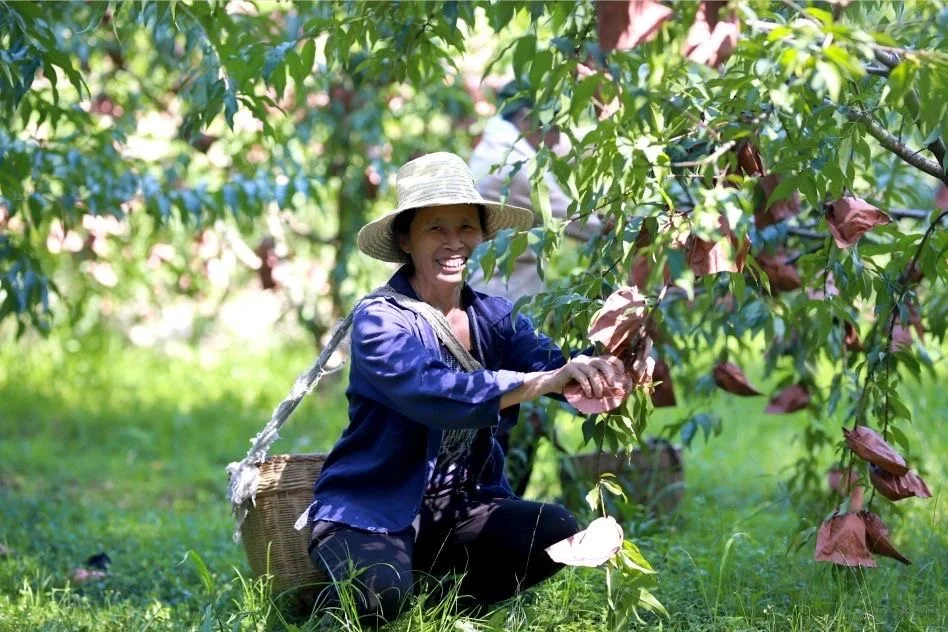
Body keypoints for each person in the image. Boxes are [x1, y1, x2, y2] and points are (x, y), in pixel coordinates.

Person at [305, 152, 624, 626]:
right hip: (371, 509)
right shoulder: (380, 320)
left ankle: (440, 608)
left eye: (465, 227)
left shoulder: (494, 315)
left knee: (554, 529)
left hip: (457, 511)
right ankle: (350, 603)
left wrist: (606, 364)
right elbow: (434, 393)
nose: (454, 242)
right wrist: (538, 382)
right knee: (378, 596)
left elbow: (554, 368)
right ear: (405, 239)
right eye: (436, 228)